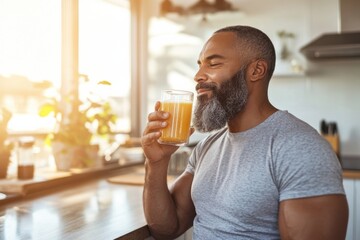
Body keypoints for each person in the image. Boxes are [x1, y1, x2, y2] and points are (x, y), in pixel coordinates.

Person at [141, 25, 348, 240]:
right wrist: (156, 163)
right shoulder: (207, 147)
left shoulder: (300, 148)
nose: (198, 76)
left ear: (256, 71)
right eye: (200, 65)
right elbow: (166, 229)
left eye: (213, 64)